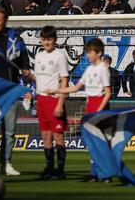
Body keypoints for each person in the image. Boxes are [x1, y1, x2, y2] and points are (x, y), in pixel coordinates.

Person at [49, 38, 111, 182]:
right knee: (92, 142)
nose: (88, 55)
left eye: (90, 52)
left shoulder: (103, 68)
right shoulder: (89, 69)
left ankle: (105, 173)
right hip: (90, 106)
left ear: (99, 53)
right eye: (87, 52)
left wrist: (99, 111)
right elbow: (76, 87)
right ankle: (94, 173)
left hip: (99, 107)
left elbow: (107, 92)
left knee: (101, 142)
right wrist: (56, 90)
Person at [0, 7, 30, 177]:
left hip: (10, 91)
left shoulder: (16, 39)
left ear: (5, 21)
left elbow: (25, 61)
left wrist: (25, 69)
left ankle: (7, 163)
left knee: (9, 132)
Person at [30, 25, 69, 180]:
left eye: (50, 39)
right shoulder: (39, 56)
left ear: (55, 40)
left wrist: (60, 103)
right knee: (46, 136)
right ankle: (49, 168)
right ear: (41, 40)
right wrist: (29, 76)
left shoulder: (60, 56)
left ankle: (60, 170)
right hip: (41, 99)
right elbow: (39, 78)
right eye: (44, 39)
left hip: (54, 100)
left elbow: (65, 80)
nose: (46, 42)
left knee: (58, 137)